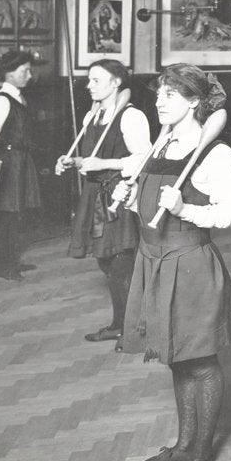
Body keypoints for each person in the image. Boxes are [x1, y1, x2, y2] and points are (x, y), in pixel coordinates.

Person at [112, 64, 231, 461]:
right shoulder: (161, 143)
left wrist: (186, 209)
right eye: (159, 94)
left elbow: (228, 213)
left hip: (189, 264)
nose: (158, 101)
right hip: (153, 261)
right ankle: (184, 445)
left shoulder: (215, 153)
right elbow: (149, 208)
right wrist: (128, 196)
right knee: (175, 356)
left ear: (193, 103)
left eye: (169, 95)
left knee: (200, 361)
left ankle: (202, 452)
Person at [55, 59, 150, 343]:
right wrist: (73, 161)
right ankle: (126, 323)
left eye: (96, 80)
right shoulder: (92, 116)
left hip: (119, 196)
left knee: (121, 264)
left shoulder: (132, 116)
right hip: (94, 195)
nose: (89, 85)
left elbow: (144, 159)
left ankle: (130, 327)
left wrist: (102, 162)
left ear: (116, 82)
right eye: (89, 80)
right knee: (107, 262)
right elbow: (89, 160)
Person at [0, 50, 41, 280]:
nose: (29, 75)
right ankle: (4, 265)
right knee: (6, 215)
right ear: (8, 73)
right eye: (25, 71)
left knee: (17, 213)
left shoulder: (20, 97)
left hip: (21, 161)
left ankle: (11, 260)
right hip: (8, 164)